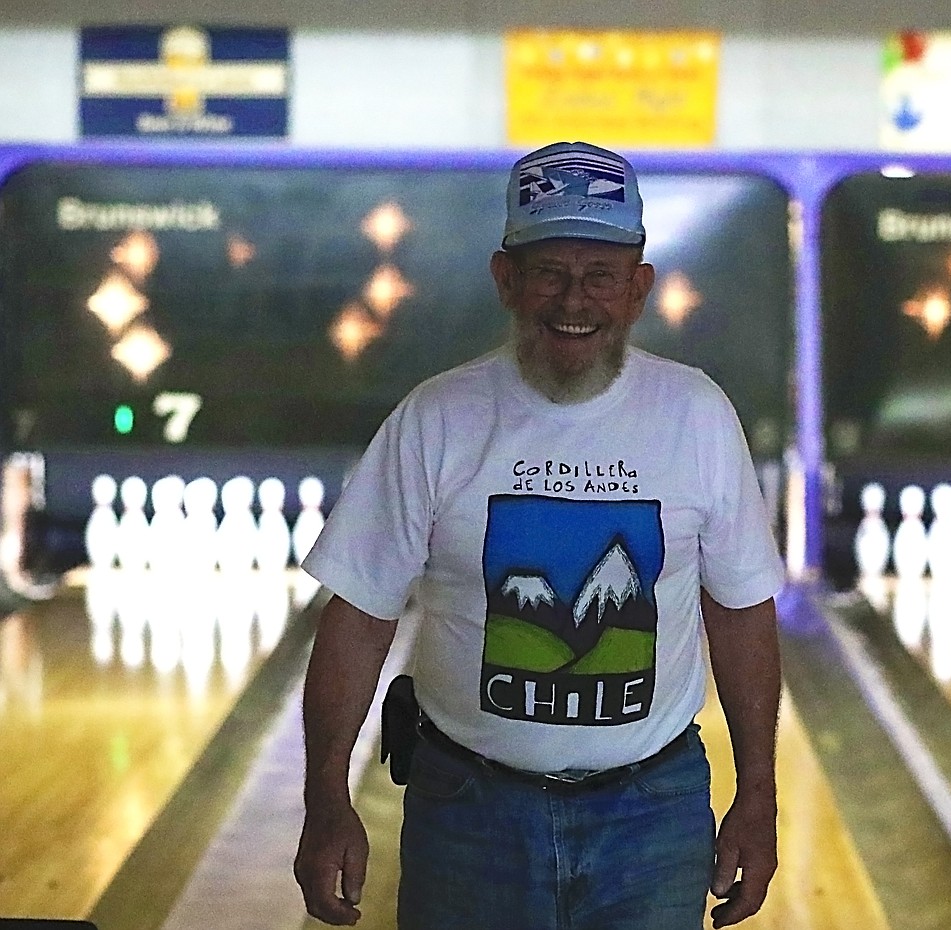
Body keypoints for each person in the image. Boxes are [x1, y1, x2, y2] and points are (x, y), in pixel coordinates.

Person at [294, 140, 785, 930]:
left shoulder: (695, 414)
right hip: (467, 812)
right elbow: (358, 615)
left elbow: (739, 610)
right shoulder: (437, 417)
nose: (574, 299)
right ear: (507, 281)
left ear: (637, 288)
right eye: (550, 272)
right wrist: (324, 801)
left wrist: (757, 796)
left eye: (599, 276)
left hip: (653, 813)